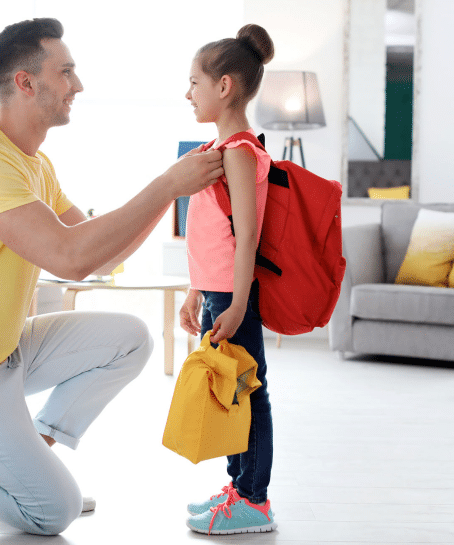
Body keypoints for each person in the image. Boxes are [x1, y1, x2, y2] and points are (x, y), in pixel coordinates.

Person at [0, 18, 224, 536]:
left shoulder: (35, 164)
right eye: (66, 71)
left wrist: (172, 194)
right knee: (52, 513)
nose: (78, 85)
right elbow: (67, 258)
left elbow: (99, 258)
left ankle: (28, 464)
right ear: (26, 82)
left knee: (130, 338)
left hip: (2, 354)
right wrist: (165, 186)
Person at [177, 24, 278, 535]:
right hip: (216, 292)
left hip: (233, 295)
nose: (187, 92)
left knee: (248, 391)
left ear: (225, 86)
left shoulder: (239, 150)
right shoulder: (220, 149)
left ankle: (255, 502)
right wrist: (198, 290)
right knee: (229, 391)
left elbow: (247, 236)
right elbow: (212, 233)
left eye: (195, 81)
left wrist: (237, 303)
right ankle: (238, 489)